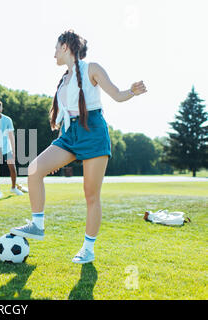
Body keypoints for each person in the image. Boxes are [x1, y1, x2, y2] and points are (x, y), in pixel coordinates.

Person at [10, 30, 147, 264]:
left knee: (91, 194)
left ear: (65, 47)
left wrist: (131, 92)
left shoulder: (91, 68)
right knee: (34, 169)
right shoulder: (63, 79)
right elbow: (65, 116)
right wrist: (56, 158)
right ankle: (37, 224)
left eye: (56, 47)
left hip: (93, 130)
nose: (53, 53)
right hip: (69, 134)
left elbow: (116, 94)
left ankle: (88, 249)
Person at [0, 100, 24, 199]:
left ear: (2, 108)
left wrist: (14, 151)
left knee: (12, 168)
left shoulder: (7, 120)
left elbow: (11, 136)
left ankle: (14, 188)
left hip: (7, 147)